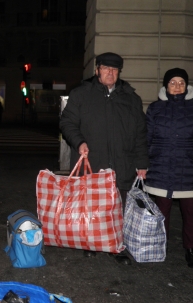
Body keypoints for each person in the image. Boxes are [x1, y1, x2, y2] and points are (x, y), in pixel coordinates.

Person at [59, 52, 149, 265]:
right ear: (97, 70)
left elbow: (140, 133)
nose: (110, 73)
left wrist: (142, 163)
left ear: (119, 72)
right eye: (106, 68)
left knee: (118, 206)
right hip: (93, 161)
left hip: (122, 162)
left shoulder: (131, 99)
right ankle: (91, 243)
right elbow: (67, 123)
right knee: (90, 206)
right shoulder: (81, 94)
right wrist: (79, 141)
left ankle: (116, 245)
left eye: (115, 69)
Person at [144, 68, 193, 269]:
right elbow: (146, 140)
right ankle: (160, 246)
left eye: (181, 82)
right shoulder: (155, 108)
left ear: (186, 85)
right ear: (166, 85)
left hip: (189, 168)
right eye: (172, 82)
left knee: (190, 211)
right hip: (161, 166)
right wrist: (143, 164)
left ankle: (191, 250)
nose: (177, 86)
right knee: (161, 212)